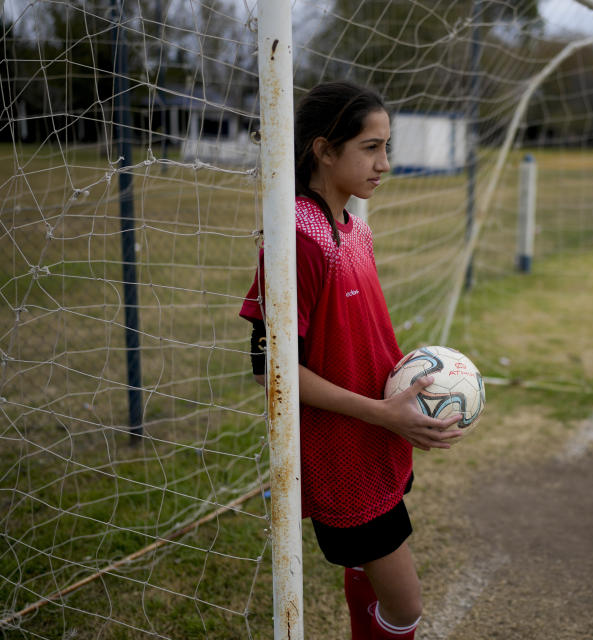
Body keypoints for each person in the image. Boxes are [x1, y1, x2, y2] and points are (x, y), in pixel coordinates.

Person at [239, 80, 462, 640]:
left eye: (387, 146)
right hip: (344, 455)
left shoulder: (353, 226)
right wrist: (383, 412)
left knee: (368, 571)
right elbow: (272, 370)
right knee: (406, 609)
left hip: (375, 440)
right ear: (323, 149)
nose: (385, 163)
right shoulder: (295, 237)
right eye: (371, 147)